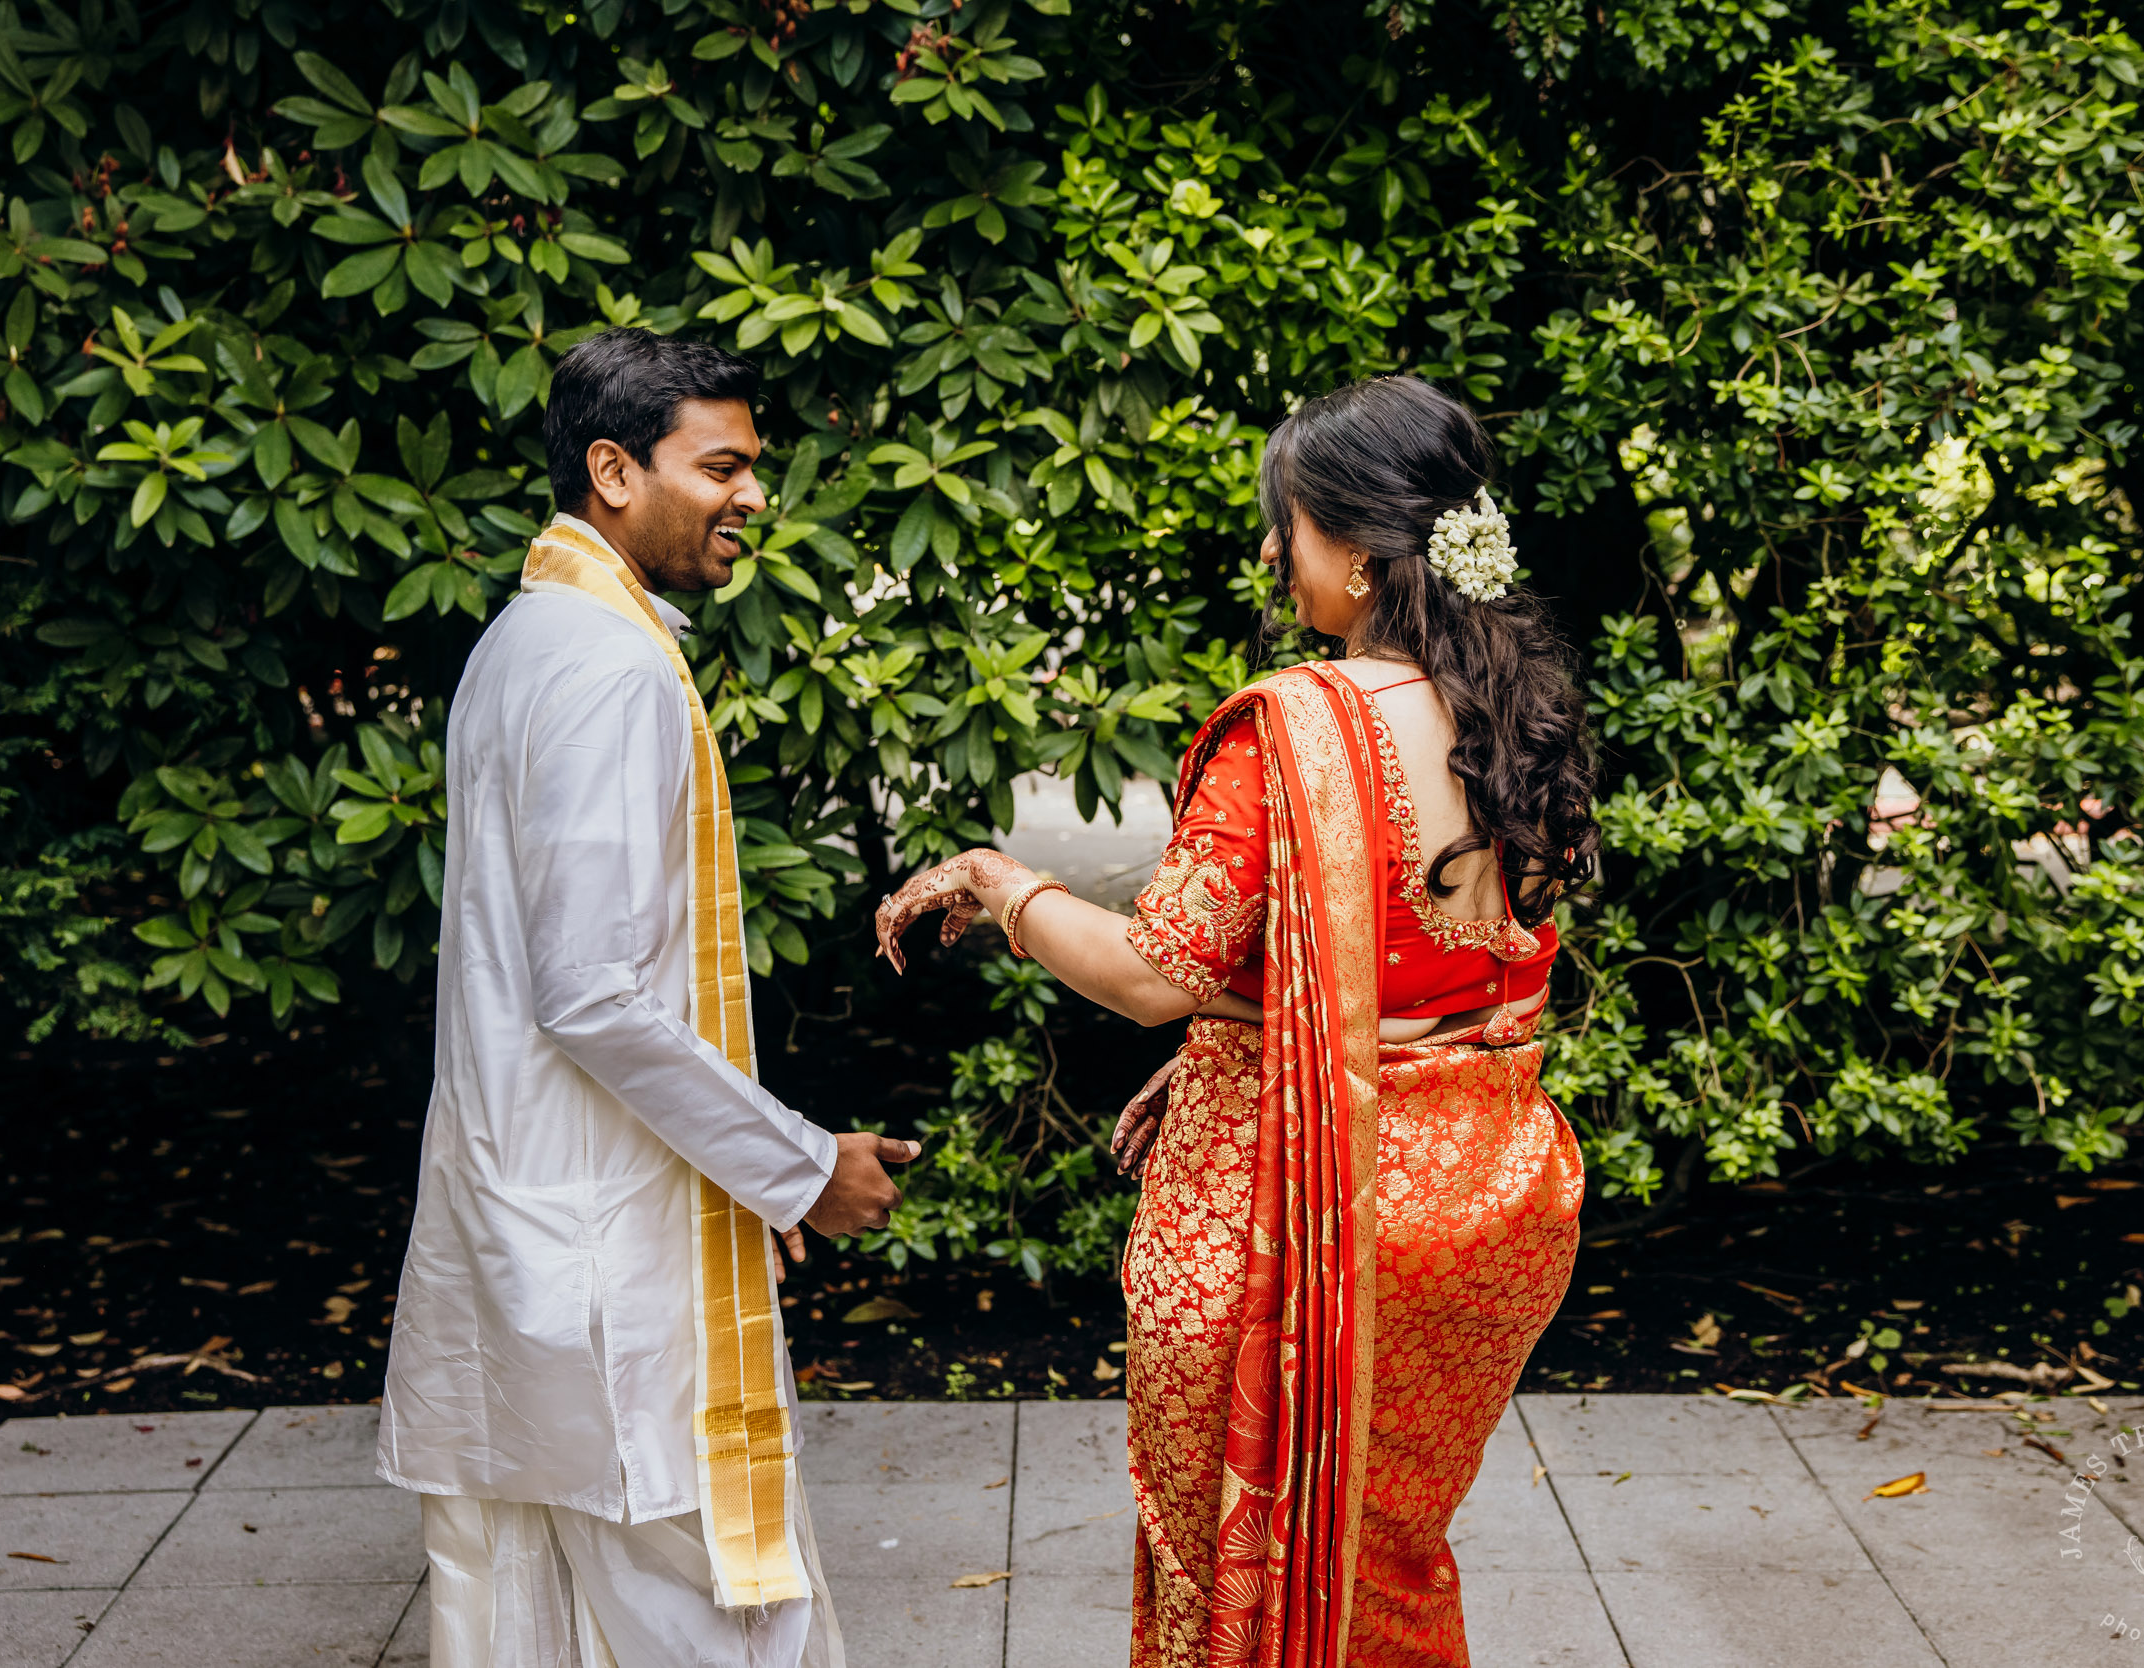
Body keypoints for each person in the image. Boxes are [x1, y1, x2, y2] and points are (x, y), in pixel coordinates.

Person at [874, 375, 1597, 1666]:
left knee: (1239, 1558)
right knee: (1388, 1552)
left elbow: (1154, 970)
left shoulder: (1297, 729)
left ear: (1365, 552)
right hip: (1489, 1203)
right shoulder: (1520, 713)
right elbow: (1435, 983)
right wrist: (1249, 1037)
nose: (1273, 553)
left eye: (1289, 526)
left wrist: (1004, 883)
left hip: (1312, 1211)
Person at [378, 328, 919, 1668]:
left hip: (534, 1221)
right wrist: (797, 1169)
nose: (751, 496)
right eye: (722, 465)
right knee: (729, 1624)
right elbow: (593, 996)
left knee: (543, 1624)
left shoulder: (527, 639)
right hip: (603, 1261)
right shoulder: (610, 665)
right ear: (615, 471)